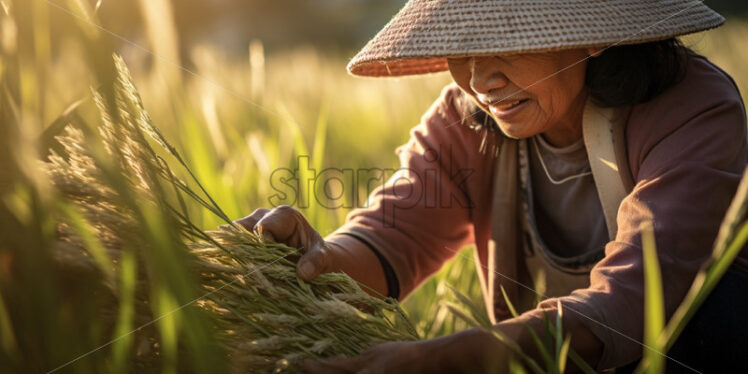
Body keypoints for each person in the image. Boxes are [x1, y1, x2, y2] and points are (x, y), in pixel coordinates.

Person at [236, 0, 748, 372]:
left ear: (590, 29)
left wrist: (443, 360)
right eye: (462, 48)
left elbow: (635, 299)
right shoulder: (462, 123)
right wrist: (319, 259)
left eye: (504, 39)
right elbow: (392, 237)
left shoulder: (692, 108)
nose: (480, 79)